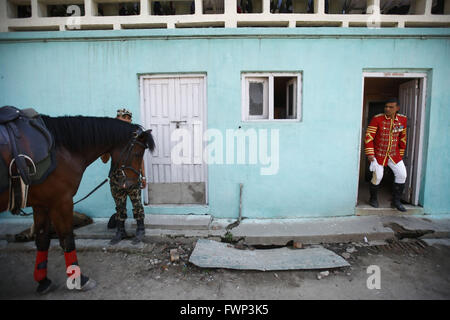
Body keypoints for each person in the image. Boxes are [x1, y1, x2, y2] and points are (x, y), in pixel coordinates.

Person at [101, 108, 147, 244]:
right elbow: (104, 160)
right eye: (122, 121)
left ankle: (140, 229)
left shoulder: (135, 137)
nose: (125, 124)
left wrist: (143, 177)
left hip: (133, 177)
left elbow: (140, 159)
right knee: (119, 206)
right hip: (116, 178)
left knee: (137, 204)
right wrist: (105, 148)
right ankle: (120, 231)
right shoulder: (111, 138)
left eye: (128, 121)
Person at [364, 98, 407, 212]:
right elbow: (369, 137)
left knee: (402, 175)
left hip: (394, 154)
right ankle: (373, 198)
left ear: (397, 108)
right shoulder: (377, 119)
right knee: (378, 176)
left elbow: (402, 138)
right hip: (378, 154)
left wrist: (401, 154)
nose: (387, 109)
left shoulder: (402, 120)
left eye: (391, 107)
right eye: (386, 106)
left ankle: (396, 201)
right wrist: (370, 153)